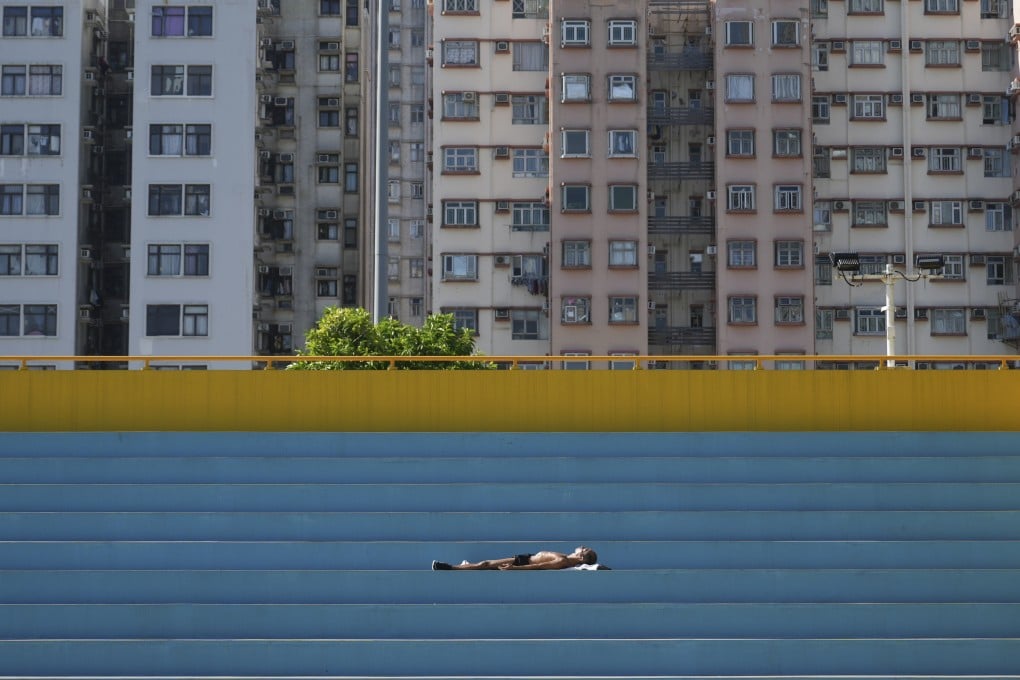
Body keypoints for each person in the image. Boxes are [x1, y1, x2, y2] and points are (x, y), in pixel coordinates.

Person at [432, 546, 597, 571]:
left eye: (583, 549)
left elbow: (540, 567)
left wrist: (515, 568)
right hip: (526, 557)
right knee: (486, 564)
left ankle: (451, 568)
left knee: (485, 564)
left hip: (523, 561)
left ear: (582, 557)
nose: (580, 547)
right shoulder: (566, 557)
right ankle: (466, 566)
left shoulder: (564, 561)